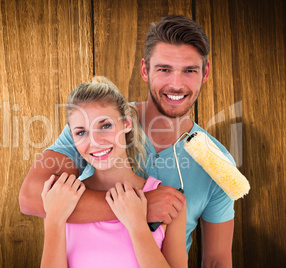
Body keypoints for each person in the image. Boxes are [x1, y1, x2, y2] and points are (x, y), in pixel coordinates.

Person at [20, 14, 235, 267]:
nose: (176, 84)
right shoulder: (99, 123)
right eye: (164, 69)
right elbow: (32, 197)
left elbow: (217, 259)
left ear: (205, 72)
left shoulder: (219, 164)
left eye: (189, 70)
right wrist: (138, 206)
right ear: (145, 70)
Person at [40, 76, 187, 267]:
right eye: (81, 132)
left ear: (126, 123)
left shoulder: (169, 203)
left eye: (105, 126)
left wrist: (137, 225)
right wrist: (53, 221)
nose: (95, 141)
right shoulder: (63, 200)